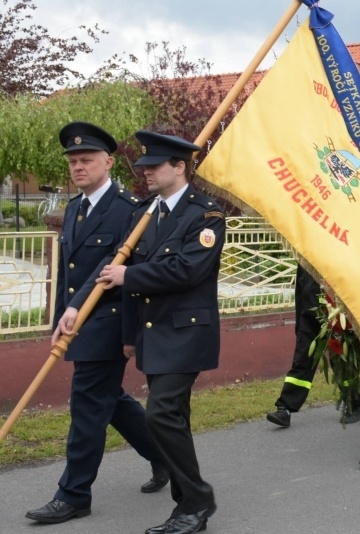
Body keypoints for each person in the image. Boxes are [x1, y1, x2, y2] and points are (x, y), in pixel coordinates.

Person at [59, 131, 224, 534]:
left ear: (180, 167)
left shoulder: (206, 215)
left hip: (186, 333)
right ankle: (188, 506)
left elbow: (187, 270)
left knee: (161, 414)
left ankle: (197, 502)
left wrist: (129, 275)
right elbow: (113, 268)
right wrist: (81, 308)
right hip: (153, 335)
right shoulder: (145, 215)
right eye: (143, 166)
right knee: (174, 418)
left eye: (154, 166)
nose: (145, 172)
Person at [25, 122, 165, 526]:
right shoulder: (74, 208)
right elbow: (69, 274)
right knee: (110, 400)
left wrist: (87, 313)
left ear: (108, 163)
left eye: (86, 159)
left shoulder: (130, 210)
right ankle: (165, 456)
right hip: (79, 321)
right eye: (73, 161)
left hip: (110, 322)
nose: (78, 167)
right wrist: (61, 316)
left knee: (87, 406)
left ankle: (73, 495)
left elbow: (114, 270)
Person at [265, 266, 360, 428]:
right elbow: (300, 289)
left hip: (335, 314)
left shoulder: (337, 252)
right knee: (302, 360)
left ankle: (353, 404)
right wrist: (300, 322)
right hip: (309, 315)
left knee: (341, 362)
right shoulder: (307, 255)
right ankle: (285, 409)